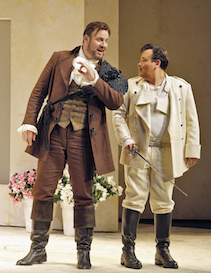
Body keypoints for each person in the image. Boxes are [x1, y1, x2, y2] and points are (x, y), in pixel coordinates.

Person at [16, 21, 125, 269]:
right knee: (43, 191)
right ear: (86, 39)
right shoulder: (59, 58)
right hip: (53, 134)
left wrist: (95, 79)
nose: (104, 45)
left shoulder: (108, 71)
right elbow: (38, 92)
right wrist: (29, 122)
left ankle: (83, 252)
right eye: (100, 40)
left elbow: (116, 101)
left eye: (106, 41)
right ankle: (38, 249)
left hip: (84, 138)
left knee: (84, 196)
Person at [112, 43, 201, 269]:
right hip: (138, 150)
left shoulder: (181, 87)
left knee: (164, 200)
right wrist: (126, 139)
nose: (139, 64)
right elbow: (118, 115)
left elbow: (191, 120)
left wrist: (192, 149)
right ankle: (127, 251)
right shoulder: (130, 86)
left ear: (156, 63)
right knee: (134, 197)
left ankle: (162, 251)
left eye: (144, 60)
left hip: (167, 151)